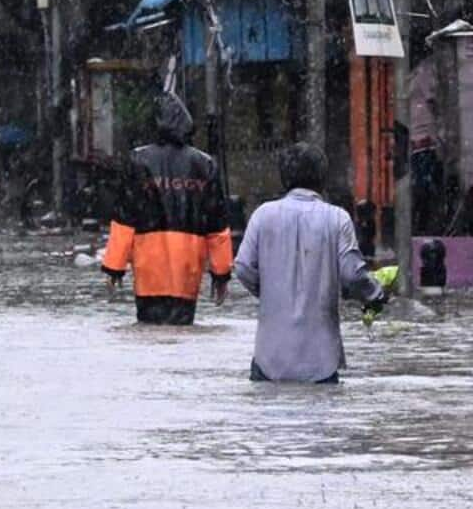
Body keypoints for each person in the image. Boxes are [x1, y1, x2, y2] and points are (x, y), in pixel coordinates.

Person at [234, 143, 388, 383]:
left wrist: (270, 293)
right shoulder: (337, 218)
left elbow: (243, 267)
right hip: (321, 361)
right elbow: (353, 276)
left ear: (284, 177)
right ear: (322, 178)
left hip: (269, 358)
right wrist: (375, 294)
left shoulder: (263, 215)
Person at [99, 93, 233, 325]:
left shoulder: (138, 160)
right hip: (187, 267)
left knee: (148, 330)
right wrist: (221, 274)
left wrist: (114, 267)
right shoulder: (205, 164)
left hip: (149, 265)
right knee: (183, 327)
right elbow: (217, 226)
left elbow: (124, 220)